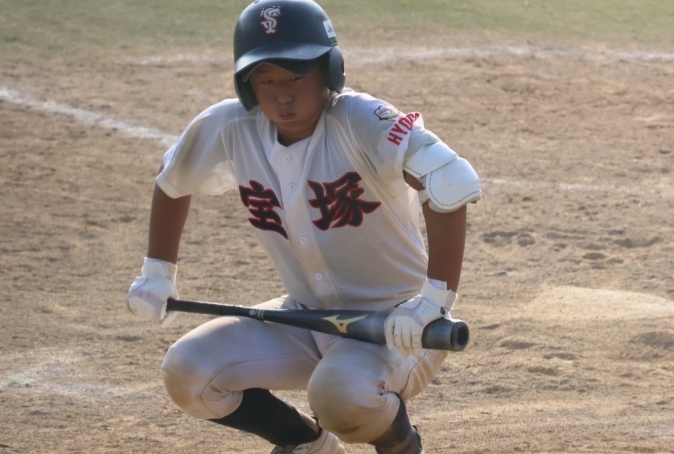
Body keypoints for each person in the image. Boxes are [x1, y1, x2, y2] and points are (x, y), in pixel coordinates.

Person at [127, 0, 482, 452]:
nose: (283, 95)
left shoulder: (361, 120)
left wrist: (433, 302)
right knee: (188, 371)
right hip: (305, 315)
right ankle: (306, 444)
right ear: (246, 84)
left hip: (400, 326)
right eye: (267, 79)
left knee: (340, 397)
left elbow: (450, 180)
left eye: (296, 77)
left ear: (329, 71)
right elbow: (173, 180)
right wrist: (157, 271)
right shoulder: (229, 126)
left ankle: (401, 446)